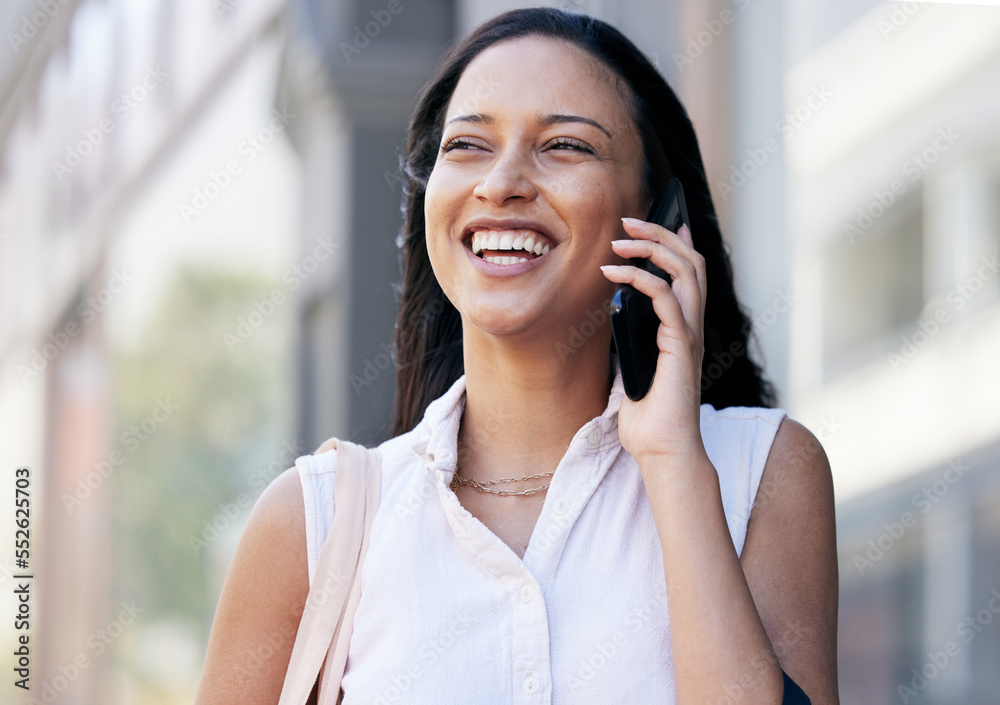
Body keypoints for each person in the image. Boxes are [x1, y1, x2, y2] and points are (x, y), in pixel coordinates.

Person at [195, 8, 838, 704]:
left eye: (564, 146)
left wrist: (672, 460)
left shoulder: (763, 472)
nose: (501, 182)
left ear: (658, 215)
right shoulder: (313, 522)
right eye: (467, 145)